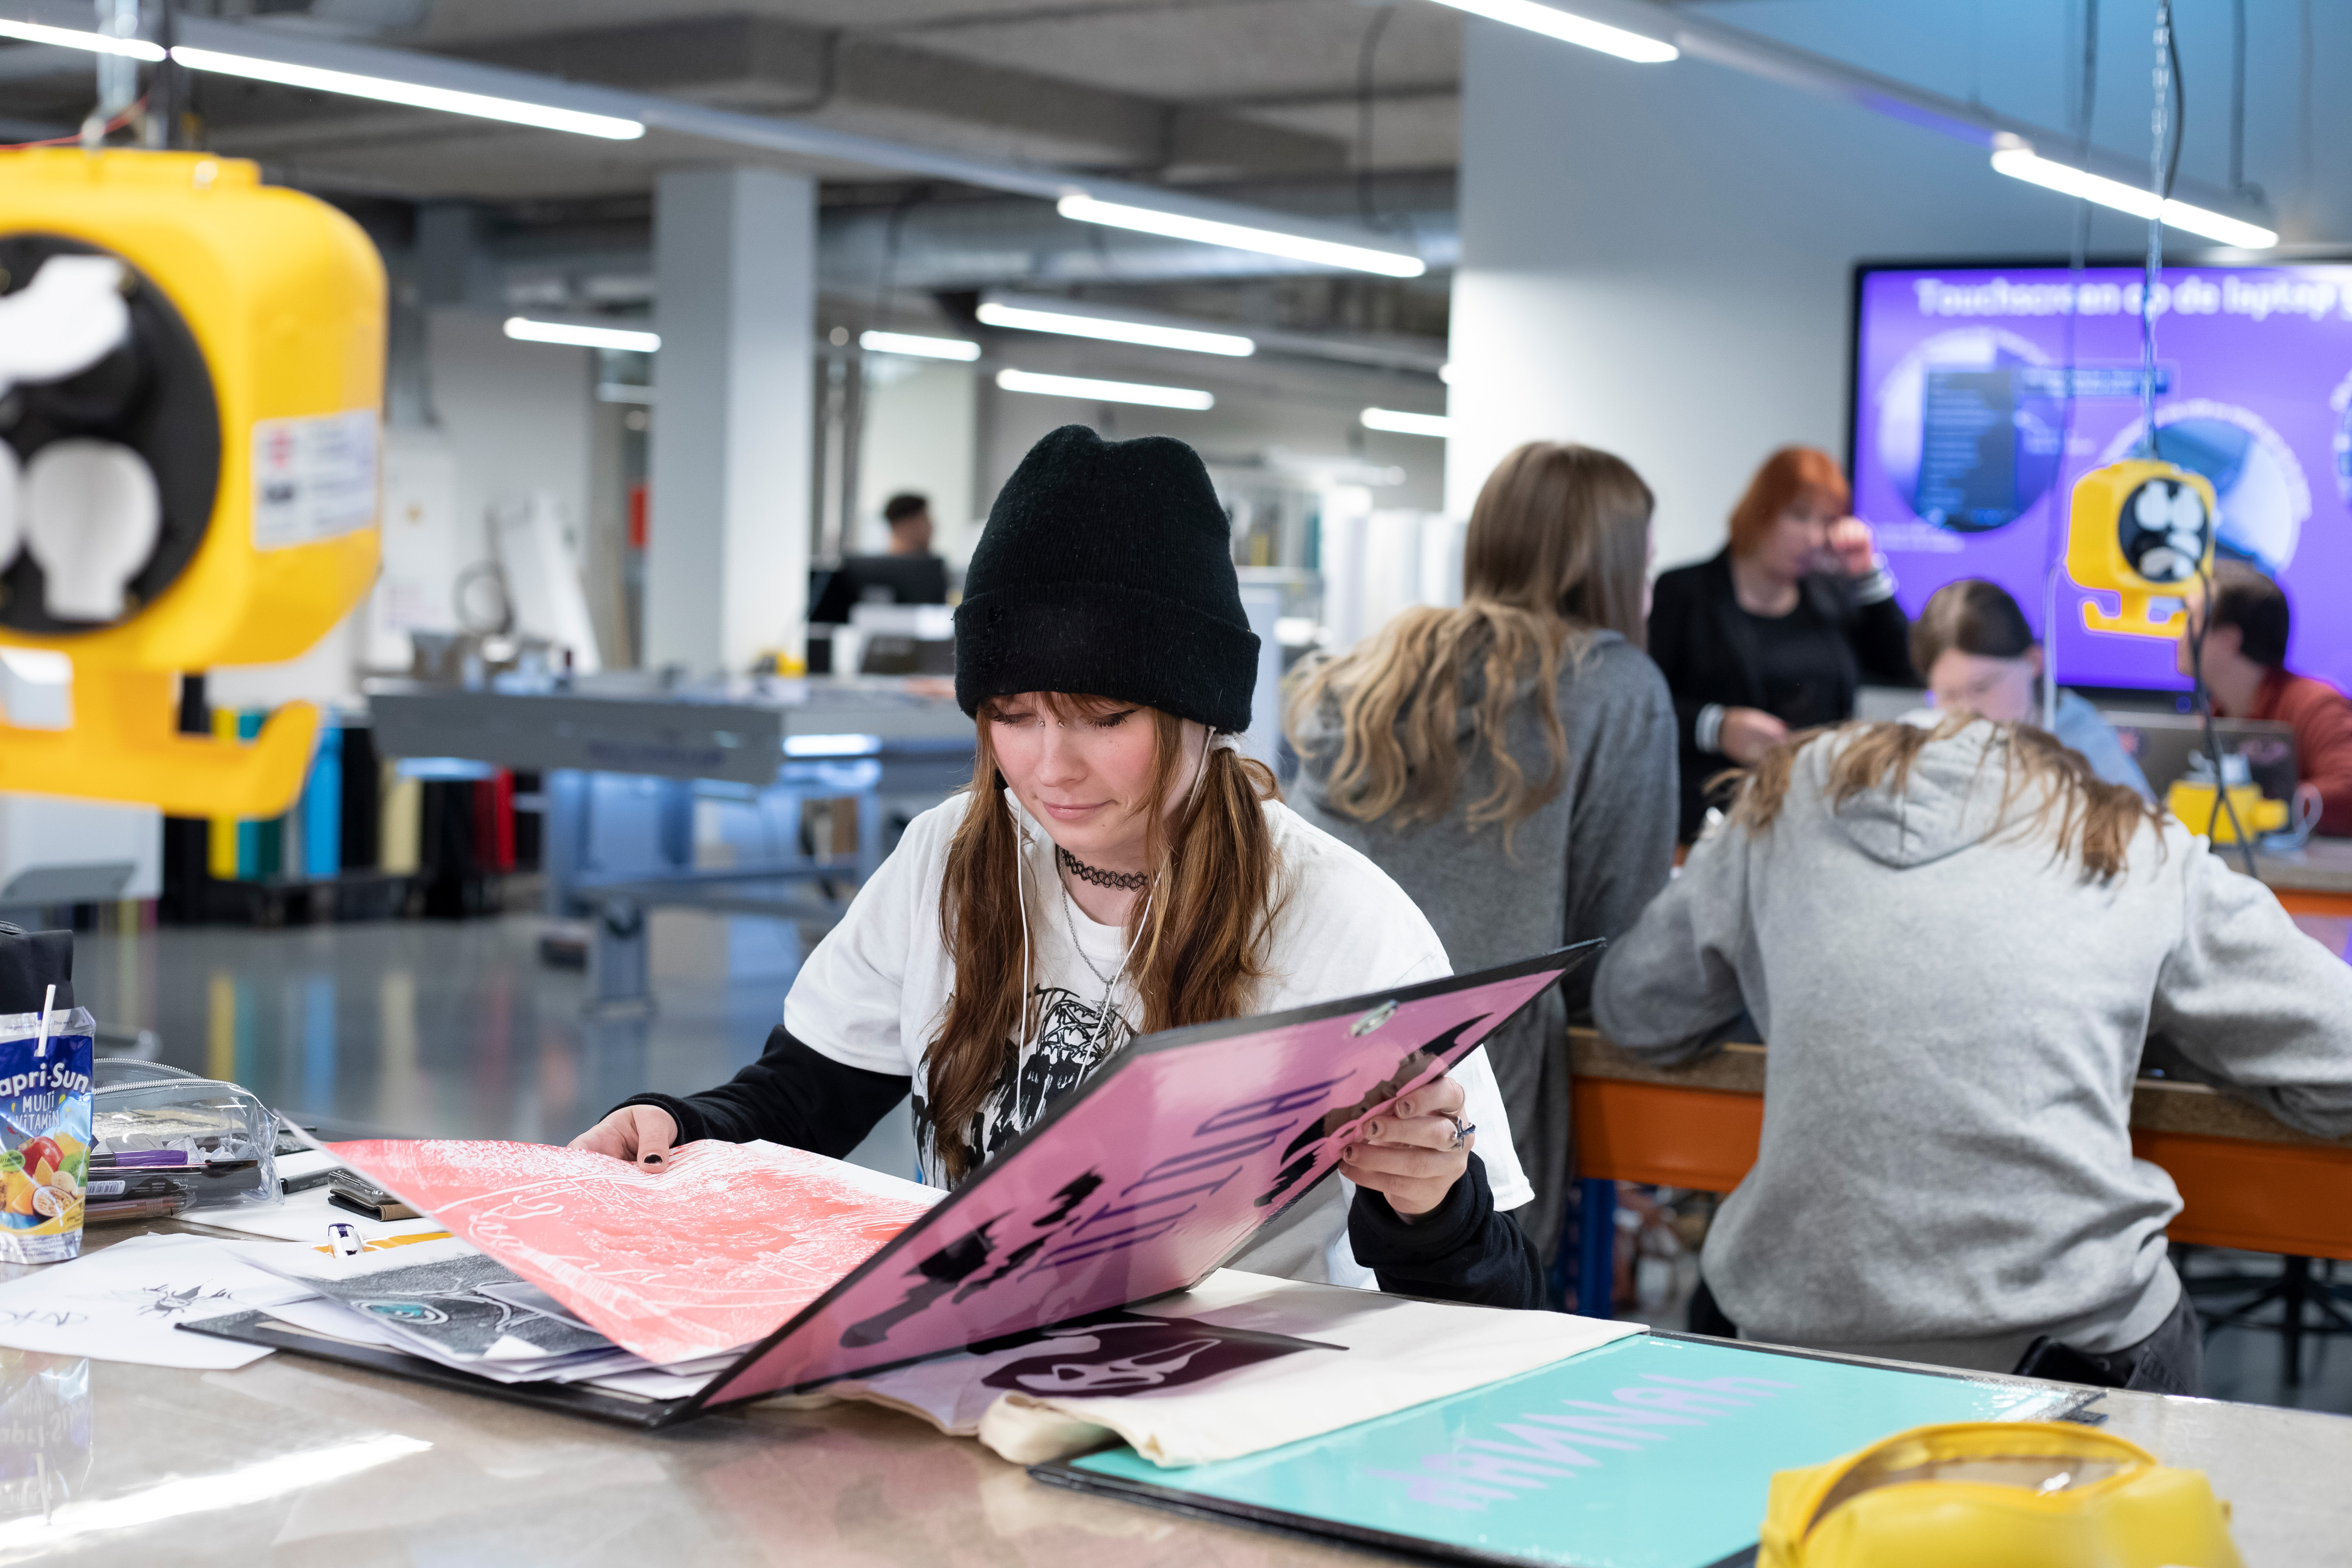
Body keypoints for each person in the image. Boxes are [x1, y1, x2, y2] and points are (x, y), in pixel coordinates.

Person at [573, 424, 1544, 1307]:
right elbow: (798, 1100)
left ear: (1202, 710)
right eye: (1012, 713)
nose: (1048, 766)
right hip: (973, 1363)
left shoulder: (1339, 920)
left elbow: (1498, 1298)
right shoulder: (948, 859)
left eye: (1103, 717)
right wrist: (672, 1127)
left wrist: (1432, 1204)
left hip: (1221, 1401)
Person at [1590, 715, 2352, 1393]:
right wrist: (2179, 1046)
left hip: (1795, 1339)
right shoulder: (2133, 840)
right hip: (2065, 1349)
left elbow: (1637, 1010)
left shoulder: (1776, 808)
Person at [1286, 442, 1677, 1272]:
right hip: (1480, 1064)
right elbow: (1617, 936)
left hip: (1313, 1055)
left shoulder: (1379, 667)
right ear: (1612, 563)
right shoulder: (1614, 684)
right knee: (1470, 1333)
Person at [1648, 446, 1915, 839]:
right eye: (1799, 516)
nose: (1813, 537)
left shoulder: (1830, 598)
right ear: (1762, 512)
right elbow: (1646, 705)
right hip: (1712, 820)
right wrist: (1717, 726)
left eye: (1826, 522)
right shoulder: (1686, 592)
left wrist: (1867, 573)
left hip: (1814, 817)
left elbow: (1904, 666)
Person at [1908, 577, 2153, 799]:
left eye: (1981, 688)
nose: (1967, 710)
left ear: (2034, 662)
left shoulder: (2086, 746)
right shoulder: (1918, 738)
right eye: (1948, 694)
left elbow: (2144, 833)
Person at [2180, 563, 2352, 837]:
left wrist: (2265, 808)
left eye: (2191, 620)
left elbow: (2349, 790)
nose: (2179, 634)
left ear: (2229, 641)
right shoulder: (2214, 714)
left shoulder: (2316, 705)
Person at [885, 492, 936, 557]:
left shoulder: (932, 564)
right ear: (905, 526)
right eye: (925, 519)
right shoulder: (878, 566)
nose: (931, 526)